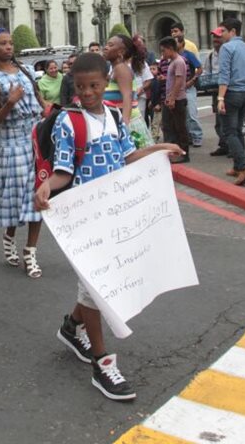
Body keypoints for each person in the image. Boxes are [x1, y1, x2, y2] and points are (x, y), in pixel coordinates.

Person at [34, 52, 183, 401]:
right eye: (81, 86)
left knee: (96, 283)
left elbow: (128, 156)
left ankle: (72, 328)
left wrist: (160, 148)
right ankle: (102, 363)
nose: (87, 93)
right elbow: (63, 169)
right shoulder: (68, 122)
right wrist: (46, 186)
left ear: (106, 83)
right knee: (97, 287)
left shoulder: (116, 116)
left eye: (94, 86)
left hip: (115, 212)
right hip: (85, 217)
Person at [0, 27, 49, 278]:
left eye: (10, 43)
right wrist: (9, 101)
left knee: (38, 197)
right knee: (14, 198)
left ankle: (30, 251)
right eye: (3, 43)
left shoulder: (26, 72)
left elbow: (40, 102)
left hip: (36, 140)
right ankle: (9, 236)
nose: (9, 47)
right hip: (11, 143)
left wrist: (46, 109)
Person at [217, 18, 245, 185]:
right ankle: (237, 167)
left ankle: (244, 165)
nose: (221, 35)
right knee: (238, 130)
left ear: (233, 31)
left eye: (223, 31)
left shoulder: (227, 48)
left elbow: (224, 75)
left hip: (232, 93)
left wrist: (220, 98)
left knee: (229, 132)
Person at [102, 34, 153, 148]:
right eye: (106, 44)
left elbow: (127, 97)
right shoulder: (114, 69)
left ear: (121, 52)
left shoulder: (121, 69)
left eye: (110, 45)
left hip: (128, 123)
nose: (105, 47)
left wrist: (124, 126)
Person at [157, 36, 190, 161]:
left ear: (170, 49)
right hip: (171, 98)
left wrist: (172, 98)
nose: (163, 54)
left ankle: (184, 154)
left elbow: (179, 81)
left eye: (163, 50)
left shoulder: (179, 62)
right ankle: (173, 152)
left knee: (180, 127)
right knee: (169, 126)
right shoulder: (173, 61)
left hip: (178, 99)